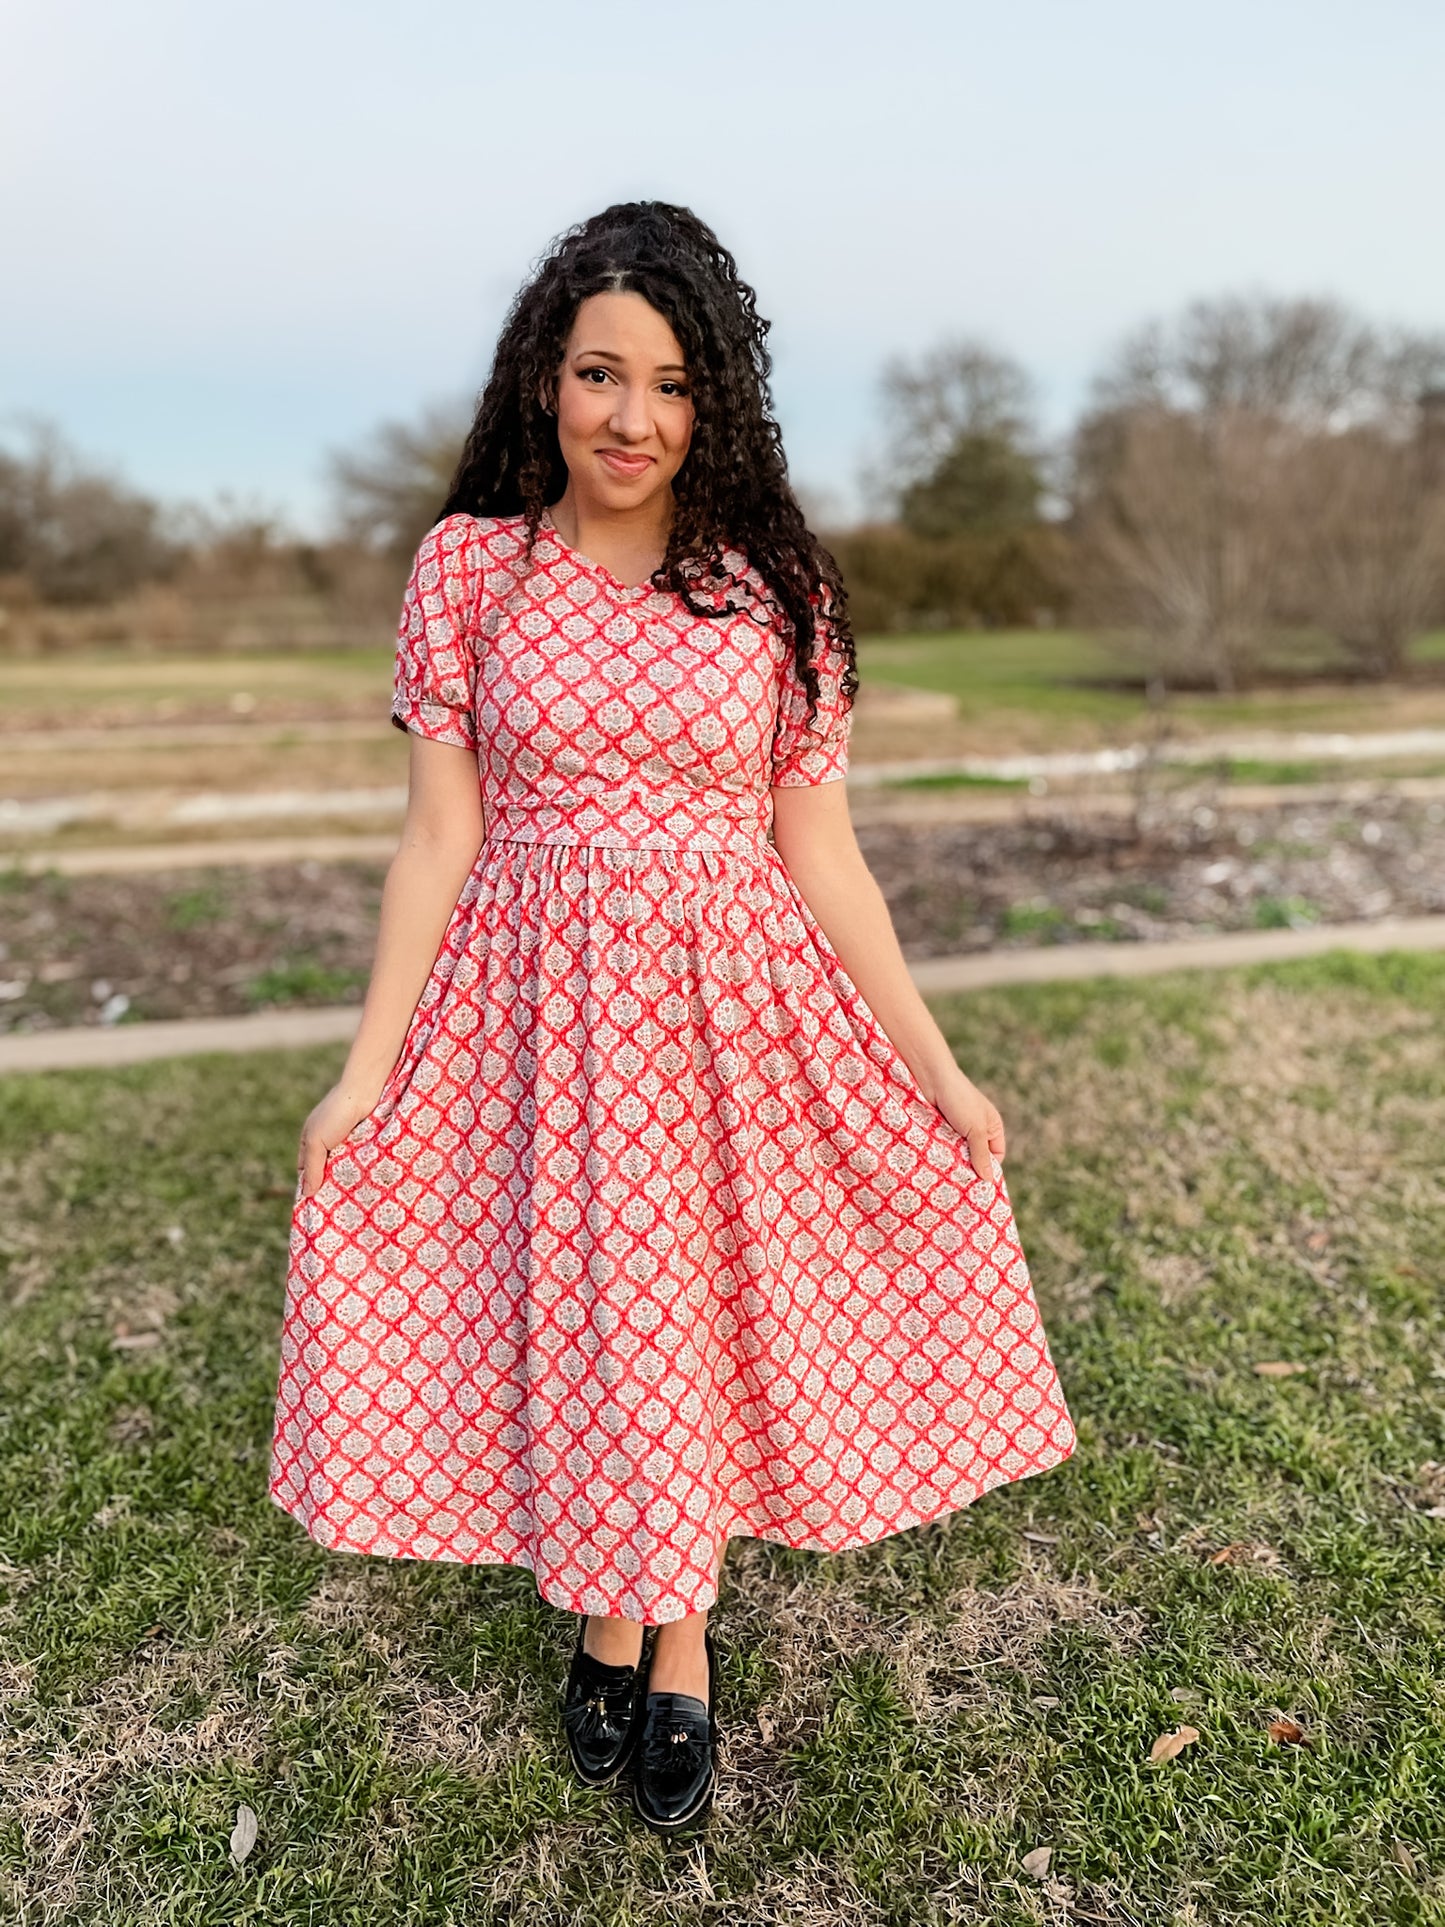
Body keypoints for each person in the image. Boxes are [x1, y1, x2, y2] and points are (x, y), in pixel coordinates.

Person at [268, 201, 1076, 1837]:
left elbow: (819, 847)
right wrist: (362, 1077)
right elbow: (439, 833)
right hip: (528, 1006)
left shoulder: (775, 589)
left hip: (730, 1009)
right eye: (596, 375)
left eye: (670, 385)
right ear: (540, 381)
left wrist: (938, 1061)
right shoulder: (468, 571)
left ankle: (668, 1624)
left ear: (717, 405)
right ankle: (610, 1606)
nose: (628, 419)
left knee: (690, 1314)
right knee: (577, 1312)